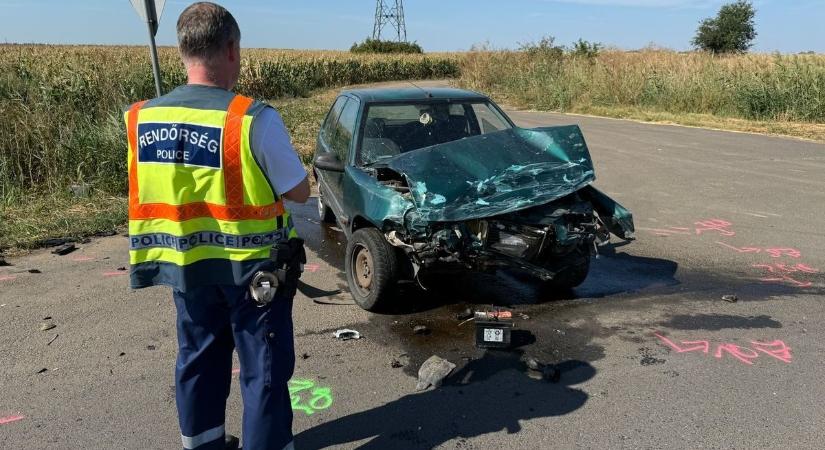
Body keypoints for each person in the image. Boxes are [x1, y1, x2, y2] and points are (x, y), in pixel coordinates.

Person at [123, 3, 309, 449]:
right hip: (251, 272)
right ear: (230, 49)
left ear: (183, 51)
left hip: (184, 264)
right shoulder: (252, 119)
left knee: (198, 359)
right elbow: (298, 192)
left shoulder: (141, 118)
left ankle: (202, 444)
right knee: (262, 369)